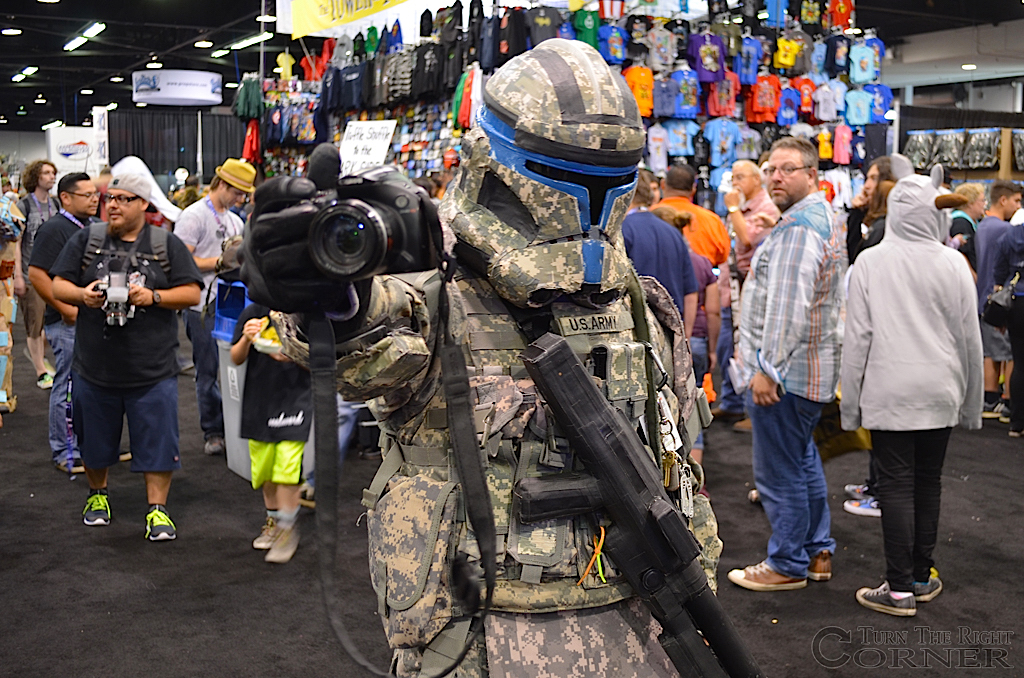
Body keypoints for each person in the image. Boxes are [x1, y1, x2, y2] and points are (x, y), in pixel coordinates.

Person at [241, 39, 721, 676]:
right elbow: (370, 334)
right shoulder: (438, 289)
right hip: (480, 629)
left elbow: (678, 456)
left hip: (640, 610)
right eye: (565, 174)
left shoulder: (639, 303)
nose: (585, 202)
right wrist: (329, 298)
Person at [841, 156, 983, 616]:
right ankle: (920, 577)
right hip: (942, 391)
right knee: (928, 483)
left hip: (888, 391)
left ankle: (899, 588)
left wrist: (850, 408)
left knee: (896, 486)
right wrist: (974, 405)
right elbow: (969, 338)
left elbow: (857, 339)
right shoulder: (954, 264)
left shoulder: (869, 262)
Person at [50, 174, 202, 541]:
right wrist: (81, 295)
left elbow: (192, 292)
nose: (112, 205)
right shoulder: (88, 239)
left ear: (143, 205)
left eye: (123, 199)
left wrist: (154, 297)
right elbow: (57, 283)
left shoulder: (166, 244)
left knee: (158, 441)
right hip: (94, 366)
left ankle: (157, 510)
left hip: (152, 368)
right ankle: (97, 496)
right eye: (110, 198)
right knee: (95, 441)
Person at [727, 137, 843, 592]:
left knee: (779, 471)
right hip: (807, 371)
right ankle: (816, 552)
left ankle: (787, 564)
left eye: (788, 169)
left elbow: (787, 308)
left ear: (811, 175)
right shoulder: (817, 218)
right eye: (771, 168)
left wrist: (766, 369)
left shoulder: (799, 227)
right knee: (802, 460)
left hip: (785, 376)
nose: (776, 176)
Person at [172, 159, 254, 456]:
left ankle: (235, 427)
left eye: (244, 195)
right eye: (238, 192)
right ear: (222, 184)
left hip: (233, 304)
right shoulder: (193, 216)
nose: (240, 199)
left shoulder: (236, 221)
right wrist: (217, 263)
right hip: (202, 307)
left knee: (236, 367)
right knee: (207, 372)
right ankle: (213, 430)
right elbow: (180, 261)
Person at [27, 173, 101, 473]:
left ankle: (91, 445)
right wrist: (65, 308)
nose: (95, 199)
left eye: (96, 194)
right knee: (68, 386)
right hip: (67, 321)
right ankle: (65, 450)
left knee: (94, 388)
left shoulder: (94, 226)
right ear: (67, 198)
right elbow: (36, 274)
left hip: (94, 320)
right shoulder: (54, 228)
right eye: (87, 195)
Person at [230, 303, 312, 564]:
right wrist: (246, 337)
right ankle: (274, 522)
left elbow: (322, 361)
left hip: (295, 399)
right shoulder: (253, 312)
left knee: (286, 468)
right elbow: (236, 357)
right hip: (259, 401)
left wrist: (292, 353)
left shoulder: (306, 312)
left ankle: (287, 529)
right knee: (264, 471)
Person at [715, 160, 783, 426]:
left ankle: (750, 409)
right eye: (732, 177)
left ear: (757, 179)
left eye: (741, 177)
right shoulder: (742, 206)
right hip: (731, 288)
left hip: (749, 289)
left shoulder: (765, 207)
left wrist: (732, 207)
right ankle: (732, 403)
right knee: (727, 347)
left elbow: (746, 239)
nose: (735, 183)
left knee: (746, 344)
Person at [653, 206, 719, 465]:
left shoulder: (656, 257)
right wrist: (711, 349)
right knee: (692, 409)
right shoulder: (702, 262)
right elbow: (713, 311)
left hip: (663, 344)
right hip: (697, 341)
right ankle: (695, 480)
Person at [622, 180, 698, 336]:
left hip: (637, 334)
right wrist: (686, 338)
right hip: (672, 333)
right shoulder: (673, 233)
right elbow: (690, 291)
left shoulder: (622, 231)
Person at [974, 181, 1022, 421]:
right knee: (1010, 354)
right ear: (1003, 200)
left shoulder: (983, 226)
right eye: (1016, 201)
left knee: (991, 353)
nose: (1017, 206)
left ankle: (990, 397)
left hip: (986, 298)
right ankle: (1005, 401)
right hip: (1001, 299)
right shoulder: (1004, 230)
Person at [15, 160, 60, 390]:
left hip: (55, 273)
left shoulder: (57, 204)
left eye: (53, 173)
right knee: (35, 325)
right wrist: (18, 276)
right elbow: (17, 242)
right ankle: (41, 371)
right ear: (36, 177)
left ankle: (37, 354)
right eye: (46, 173)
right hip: (30, 272)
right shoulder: (24, 206)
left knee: (49, 325)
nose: (51, 177)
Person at [653, 163, 731, 267]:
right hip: (702, 280)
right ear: (693, 190)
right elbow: (723, 256)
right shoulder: (711, 220)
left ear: (663, 184)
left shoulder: (645, 217)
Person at [993, 200, 1024, 437]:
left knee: (1019, 362)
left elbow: (999, 275)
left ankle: (1016, 423)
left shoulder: (1010, 235)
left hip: (1015, 303)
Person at [1, 191, 27, 423]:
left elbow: (16, 233)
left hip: (2, 287)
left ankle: (2, 395)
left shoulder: (7, 208)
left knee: (2, 343)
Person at [846, 156, 895, 266]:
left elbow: (857, 262)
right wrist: (857, 213)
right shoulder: (879, 221)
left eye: (874, 178)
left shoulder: (885, 226)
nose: (866, 186)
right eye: (867, 179)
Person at [948, 182, 987, 274]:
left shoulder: (974, 222)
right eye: (982, 200)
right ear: (970, 203)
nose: (984, 204)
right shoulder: (960, 223)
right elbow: (963, 258)